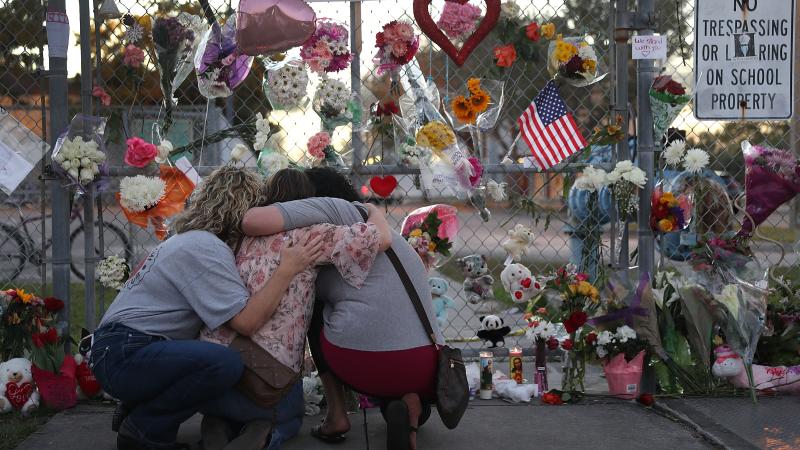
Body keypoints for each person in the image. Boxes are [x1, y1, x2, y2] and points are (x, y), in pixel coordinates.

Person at [90, 167, 323, 450]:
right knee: (223, 363)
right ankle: (144, 428)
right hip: (126, 353)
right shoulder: (206, 248)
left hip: (119, 349)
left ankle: (141, 410)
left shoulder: (187, 240)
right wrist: (287, 270)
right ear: (243, 212)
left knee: (211, 357)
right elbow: (247, 322)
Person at [241, 167, 447, 450]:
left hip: (360, 359)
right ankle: (407, 403)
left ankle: (337, 414)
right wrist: (375, 211)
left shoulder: (325, 227)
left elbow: (252, 221)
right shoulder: (381, 231)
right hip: (426, 364)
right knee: (381, 322)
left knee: (314, 304)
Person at [199, 168, 392, 449]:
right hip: (266, 372)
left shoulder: (237, 234)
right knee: (288, 417)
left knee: (222, 410)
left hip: (214, 355)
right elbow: (381, 239)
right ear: (308, 202)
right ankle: (266, 432)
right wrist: (374, 211)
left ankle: (217, 424)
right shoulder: (310, 235)